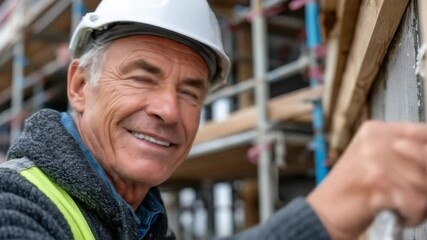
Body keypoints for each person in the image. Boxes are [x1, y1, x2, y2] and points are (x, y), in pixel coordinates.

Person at [1, 0, 427, 239]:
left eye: (190, 91)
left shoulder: (142, 223)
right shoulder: (13, 205)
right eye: (141, 77)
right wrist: (322, 217)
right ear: (78, 86)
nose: (168, 110)